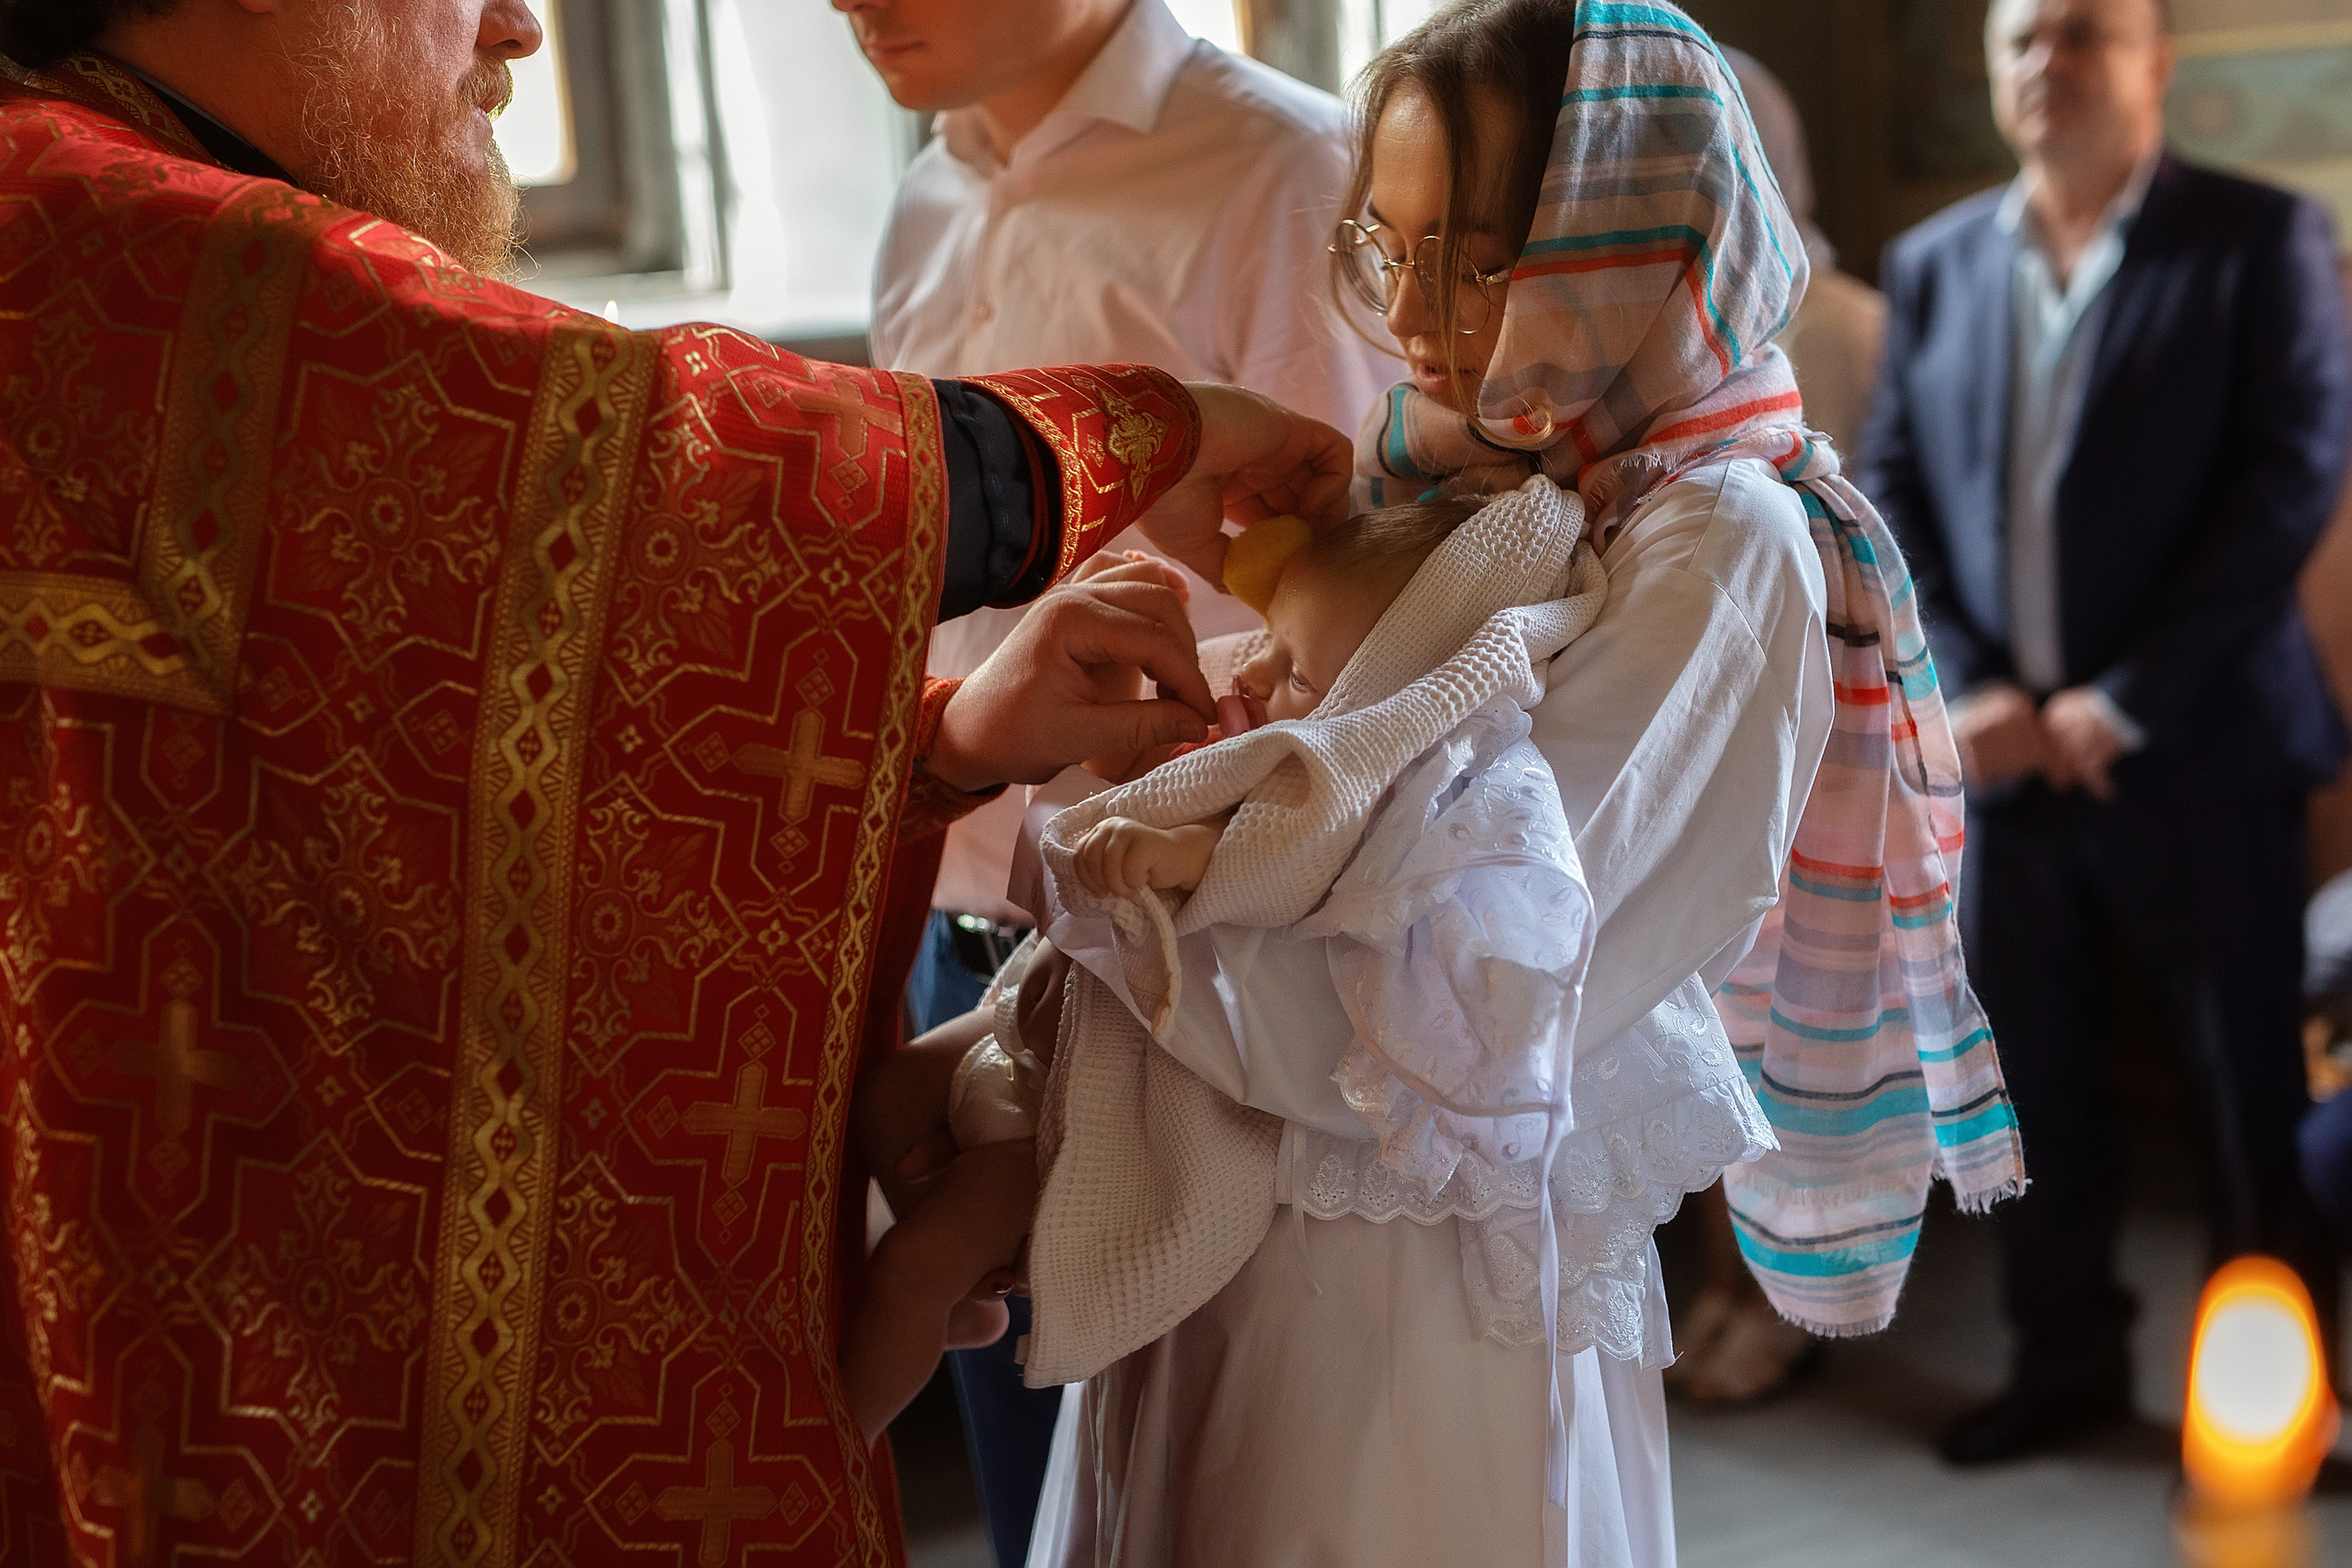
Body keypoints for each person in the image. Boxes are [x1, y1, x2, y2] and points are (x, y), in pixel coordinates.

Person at [0, 3, 1362, 1562]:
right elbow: (634, 473)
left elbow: (394, 742)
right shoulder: (88, 227)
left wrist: (927, 745)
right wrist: (1129, 433)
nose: (519, 27)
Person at [1002, 3, 2022, 1562]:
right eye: (1389, 247)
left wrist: (1156, 895)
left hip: (1413, 1255)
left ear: (1631, 242)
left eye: (1479, 263)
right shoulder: (1470, 470)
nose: (1416, 318)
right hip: (1231, 1197)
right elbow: (1338, 758)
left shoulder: (1721, 539)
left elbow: (1474, 976)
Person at [836, 1, 1393, 1552]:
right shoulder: (927, 194)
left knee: (1193, 1502)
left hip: (1194, 988)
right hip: (959, 928)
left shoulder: (1286, 173)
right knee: (1036, 1502)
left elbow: (1363, 632)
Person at [1861, 0, 2352, 1466]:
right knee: (2031, 1093)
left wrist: (2124, 694)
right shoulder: (1934, 261)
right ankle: (2064, 1361)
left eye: (2082, 35)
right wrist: (1970, 682)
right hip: (2009, 767)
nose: (2045, 64)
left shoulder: (2261, 239)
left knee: (2243, 1100)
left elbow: (2290, 477)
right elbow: (1892, 490)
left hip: (2205, 752)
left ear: (2156, 64)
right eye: (2021, 40)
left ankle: (2271, 1402)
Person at [839, 496, 1480, 1445]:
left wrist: (1183, 853)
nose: (1252, 673)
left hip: (1088, 1099)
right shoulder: (1239, 745)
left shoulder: (1341, 805)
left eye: (1296, 674)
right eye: (1269, 639)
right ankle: (970, 1295)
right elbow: (1107, 810)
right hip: (1036, 1016)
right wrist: (1121, 762)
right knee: (884, 1094)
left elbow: (1278, 871)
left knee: (905, 1268)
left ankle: (827, 1443)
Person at [1665, 48, 1892, 1410]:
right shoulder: (1665, 317)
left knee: (1803, 1030)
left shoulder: (1852, 324)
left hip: (1834, 712)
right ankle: (1720, 1275)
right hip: (1707, 706)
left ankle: (1790, 1294)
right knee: (1701, 1005)